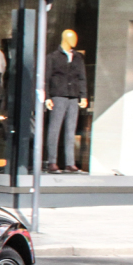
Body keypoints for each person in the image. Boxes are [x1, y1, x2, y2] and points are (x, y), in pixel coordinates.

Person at [44, 29, 88, 173]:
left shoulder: (78, 57)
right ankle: (52, 161)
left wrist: (83, 95)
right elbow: (47, 78)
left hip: (73, 96)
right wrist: (47, 97)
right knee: (54, 128)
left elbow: (82, 77)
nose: (74, 41)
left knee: (71, 130)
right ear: (65, 39)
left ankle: (70, 163)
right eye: (71, 38)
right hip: (59, 95)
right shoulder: (53, 57)